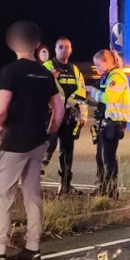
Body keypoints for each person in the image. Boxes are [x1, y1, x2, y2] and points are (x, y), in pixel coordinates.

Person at [0, 21, 62, 260]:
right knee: (33, 196)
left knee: (5, 196)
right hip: (37, 142)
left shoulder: (10, 72)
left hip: (14, 143)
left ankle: (1, 253)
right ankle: (33, 249)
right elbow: (59, 110)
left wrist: (0, 127)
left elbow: (0, 108)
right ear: (36, 43)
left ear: (13, 42)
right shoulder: (45, 73)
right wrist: (49, 133)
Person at [43, 37, 89, 194]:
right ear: (55, 50)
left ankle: (66, 185)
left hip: (69, 116)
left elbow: (82, 93)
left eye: (66, 47)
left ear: (71, 50)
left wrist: (83, 116)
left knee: (67, 150)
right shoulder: (48, 66)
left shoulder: (75, 70)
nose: (64, 49)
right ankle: (33, 183)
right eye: (60, 47)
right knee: (47, 148)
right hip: (51, 115)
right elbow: (39, 90)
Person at [89, 48, 130, 197]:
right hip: (106, 121)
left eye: (99, 65)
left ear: (108, 61)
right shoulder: (108, 76)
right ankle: (102, 188)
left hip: (114, 122)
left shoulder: (117, 76)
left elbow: (109, 98)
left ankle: (111, 191)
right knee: (100, 156)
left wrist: (92, 92)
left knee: (108, 157)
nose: (98, 69)